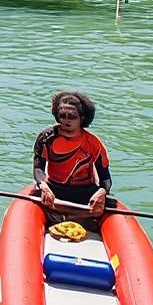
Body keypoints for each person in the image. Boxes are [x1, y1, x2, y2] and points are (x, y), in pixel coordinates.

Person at [33, 91, 113, 224]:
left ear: (82, 118)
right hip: (54, 188)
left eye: (72, 116)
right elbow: (38, 168)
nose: (66, 120)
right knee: (35, 197)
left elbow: (105, 177)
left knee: (105, 207)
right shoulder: (46, 138)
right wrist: (44, 186)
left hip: (85, 191)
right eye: (62, 116)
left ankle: (66, 216)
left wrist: (102, 192)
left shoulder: (93, 143)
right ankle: (74, 216)